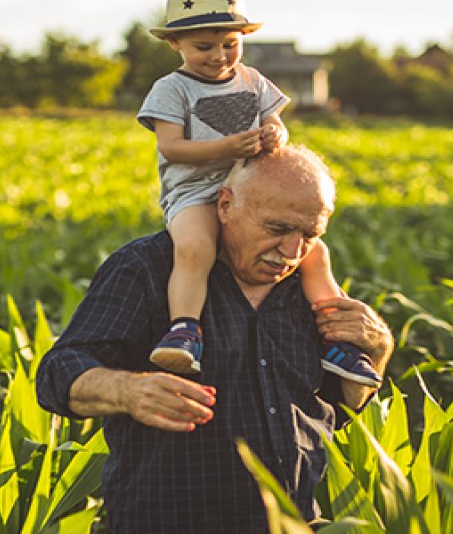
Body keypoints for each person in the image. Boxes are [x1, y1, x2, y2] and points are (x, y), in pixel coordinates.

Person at [36, 146, 395, 533]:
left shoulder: (312, 292)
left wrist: (377, 350)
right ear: (225, 205)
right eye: (277, 229)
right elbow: (58, 373)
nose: (292, 250)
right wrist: (129, 391)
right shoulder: (148, 267)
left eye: (310, 234)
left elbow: (336, 410)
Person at [137, 0, 380, 386]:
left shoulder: (251, 80)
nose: (219, 56)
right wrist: (228, 146)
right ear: (175, 44)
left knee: (314, 255)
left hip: (253, 188)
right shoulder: (171, 89)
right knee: (195, 249)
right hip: (195, 193)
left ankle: (341, 345)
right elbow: (172, 148)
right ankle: (185, 329)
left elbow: (277, 123)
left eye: (230, 44)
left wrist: (274, 134)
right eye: (204, 47)